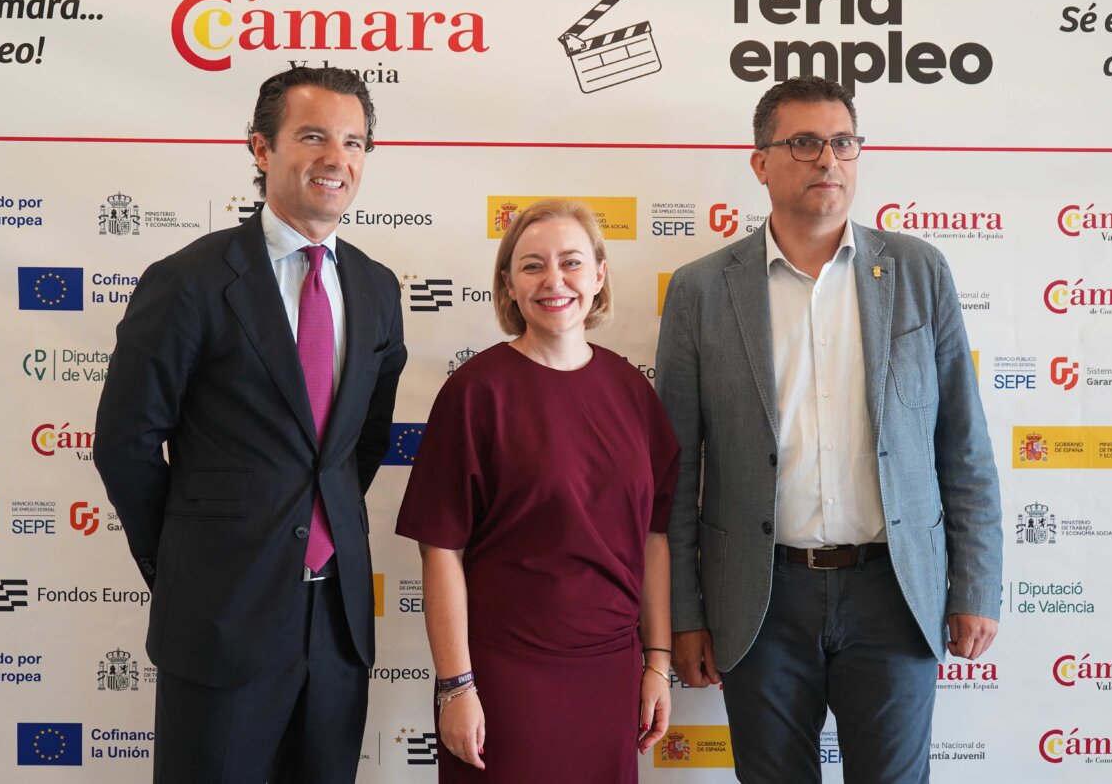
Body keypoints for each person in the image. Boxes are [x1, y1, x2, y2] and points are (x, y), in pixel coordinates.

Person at [655, 76, 1002, 784]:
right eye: (805, 143)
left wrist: (975, 584)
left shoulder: (918, 271)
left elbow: (962, 444)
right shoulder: (699, 291)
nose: (828, 161)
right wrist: (684, 614)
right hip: (760, 594)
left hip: (894, 591)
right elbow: (676, 471)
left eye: (843, 143)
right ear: (760, 161)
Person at [94, 65, 406, 783]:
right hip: (219, 620)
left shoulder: (376, 287)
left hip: (336, 625)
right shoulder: (190, 281)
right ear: (261, 149)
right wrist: (183, 563)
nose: (338, 158)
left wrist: (318, 524)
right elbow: (126, 444)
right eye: (314, 136)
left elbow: (360, 444)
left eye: (355, 141)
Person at [395, 199, 677, 782]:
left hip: (610, 673)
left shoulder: (632, 392)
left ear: (599, 276)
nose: (555, 280)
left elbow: (654, 537)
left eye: (572, 262)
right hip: (503, 675)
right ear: (508, 285)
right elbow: (440, 549)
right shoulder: (476, 392)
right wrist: (455, 685)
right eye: (532, 266)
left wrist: (657, 663)